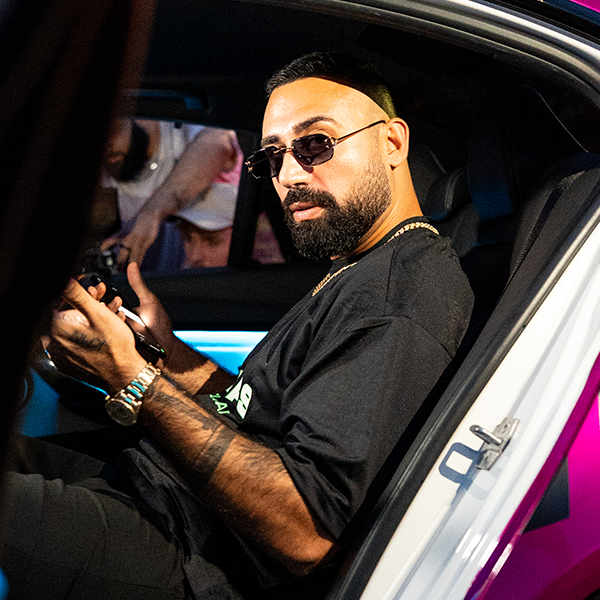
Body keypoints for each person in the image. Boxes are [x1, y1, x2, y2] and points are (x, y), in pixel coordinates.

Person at [0, 53, 474, 599]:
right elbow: (253, 411)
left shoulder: (399, 293)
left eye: (314, 144)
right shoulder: (358, 269)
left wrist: (131, 378)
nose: (289, 176)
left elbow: (309, 532)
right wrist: (163, 351)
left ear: (391, 143)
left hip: (191, 554)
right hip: (160, 493)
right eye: (273, 157)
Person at [100, 118, 242, 270]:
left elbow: (217, 141)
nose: (193, 257)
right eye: (187, 239)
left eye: (112, 132)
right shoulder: (110, 175)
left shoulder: (184, 124)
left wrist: (151, 214)